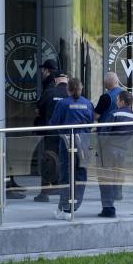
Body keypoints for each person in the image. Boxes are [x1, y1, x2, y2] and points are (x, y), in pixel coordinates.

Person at [49, 76, 94, 220]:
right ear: (81, 89)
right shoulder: (88, 104)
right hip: (84, 144)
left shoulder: (62, 104)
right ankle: (73, 206)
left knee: (66, 175)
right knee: (81, 175)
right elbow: (91, 122)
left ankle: (66, 207)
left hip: (67, 143)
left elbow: (54, 123)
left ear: (68, 89)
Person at [98, 91, 133, 218]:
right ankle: (116, 195)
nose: (116, 102)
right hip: (123, 151)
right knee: (117, 176)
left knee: (105, 179)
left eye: (117, 100)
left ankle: (108, 208)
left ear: (122, 101)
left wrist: (98, 149)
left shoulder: (114, 113)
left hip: (109, 150)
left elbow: (104, 133)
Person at [33, 60, 61, 202]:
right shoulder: (66, 91)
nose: (42, 73)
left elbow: (39, 109)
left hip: (50, 131)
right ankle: (57, 185)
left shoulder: (49, 90)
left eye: (43, 70)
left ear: (47, 71)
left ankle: (44, 192)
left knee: (47, 160)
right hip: (64, 133)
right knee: (60, 159)